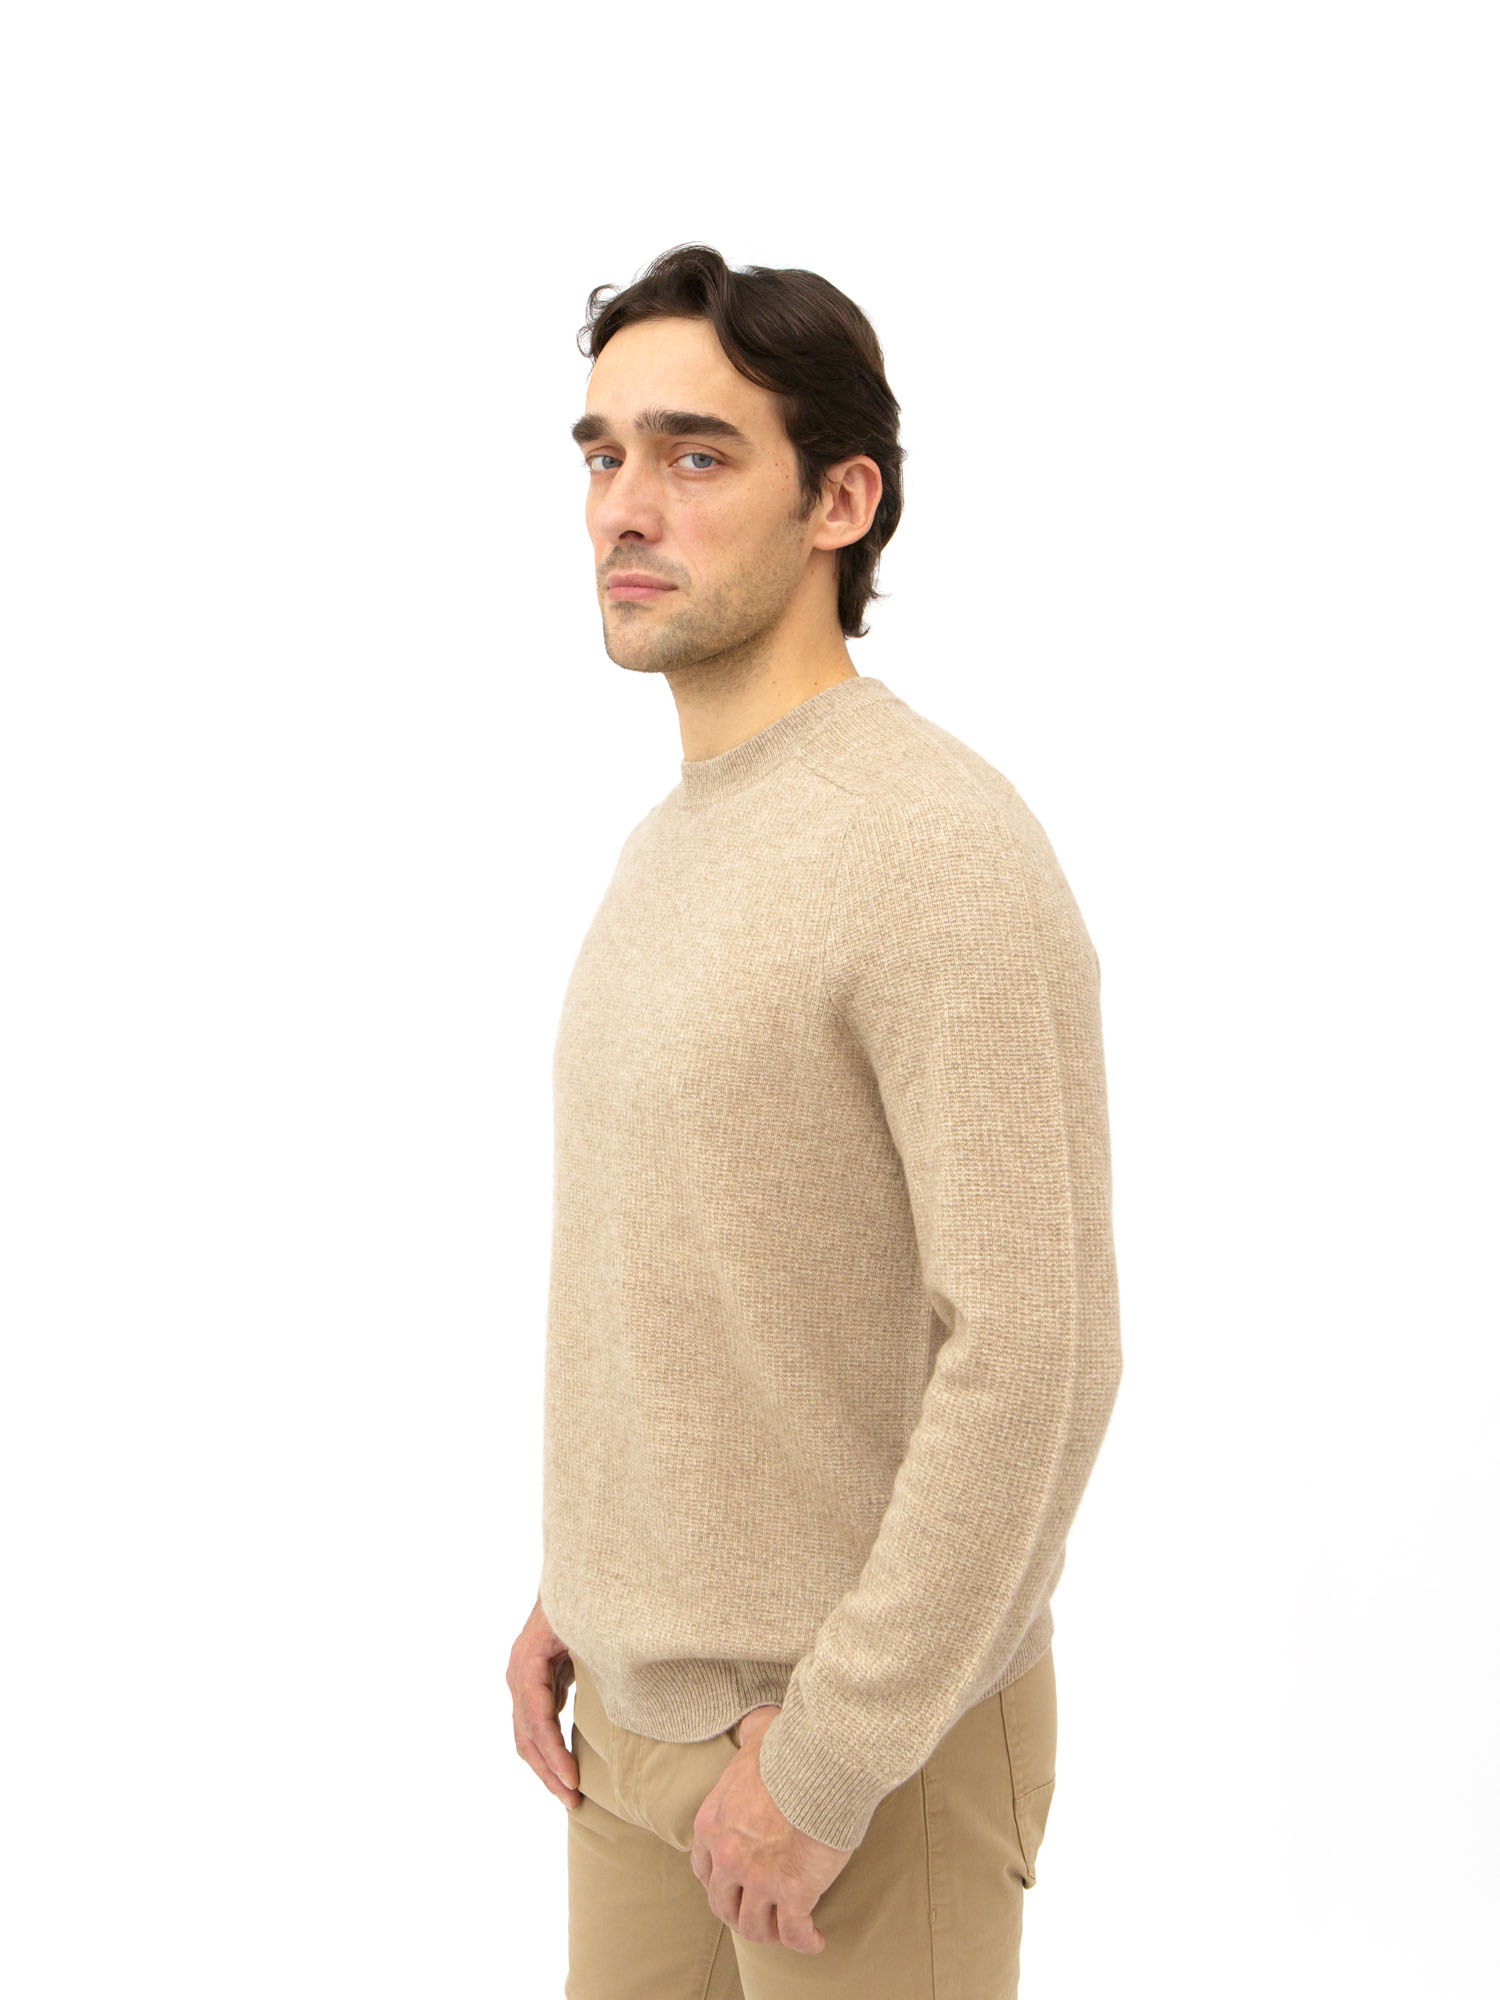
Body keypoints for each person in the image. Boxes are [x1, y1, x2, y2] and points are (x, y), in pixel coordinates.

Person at [507, 243, 1123, 1999]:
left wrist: (833, 1755)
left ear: (840, 502)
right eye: (603, 453)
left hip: (855, 1765)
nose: (626, 506)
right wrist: (585, 1586)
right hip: (635, 1735)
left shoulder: (934, 845)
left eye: (696, 455)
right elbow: (690, 1273)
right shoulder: (673, 844)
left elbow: (1041, 1352)